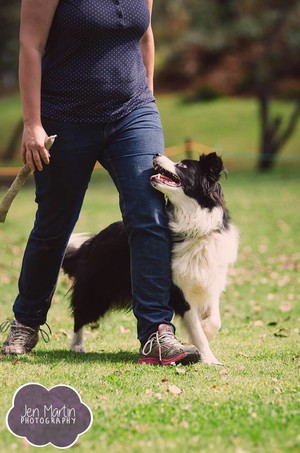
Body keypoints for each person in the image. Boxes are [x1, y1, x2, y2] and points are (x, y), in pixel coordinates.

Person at [0, 0, 200, 365]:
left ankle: (156, 332)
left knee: (150, 214)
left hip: (132, 111)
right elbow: (31, 45)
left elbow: (145, 36)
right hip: (65, 115)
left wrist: (148, 99)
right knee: (54, 225)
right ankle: (26, 321)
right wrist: (32, 123)